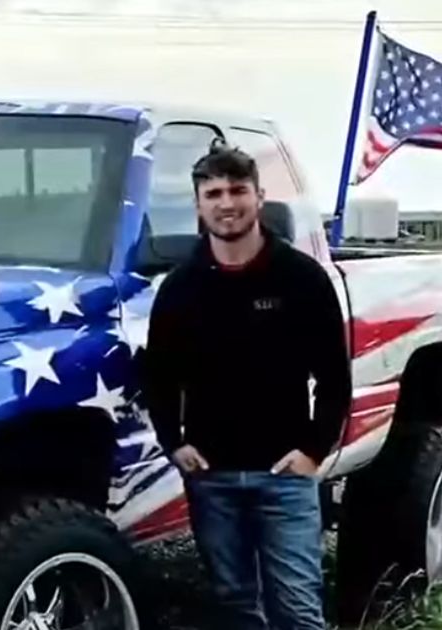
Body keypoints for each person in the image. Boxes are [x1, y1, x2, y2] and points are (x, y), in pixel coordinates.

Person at [142, 143, 352, 629]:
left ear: (260, 198)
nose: (226, 203)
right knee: (234, 606)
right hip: (211, 477)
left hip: (285, 475)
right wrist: (173, 442)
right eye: (213, 193)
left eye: (238, 190)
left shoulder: (301, 278)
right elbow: (159, 375)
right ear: (198, 205)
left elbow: (334, 376)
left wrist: (313, 451)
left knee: (298, 608)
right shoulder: (181, 286)